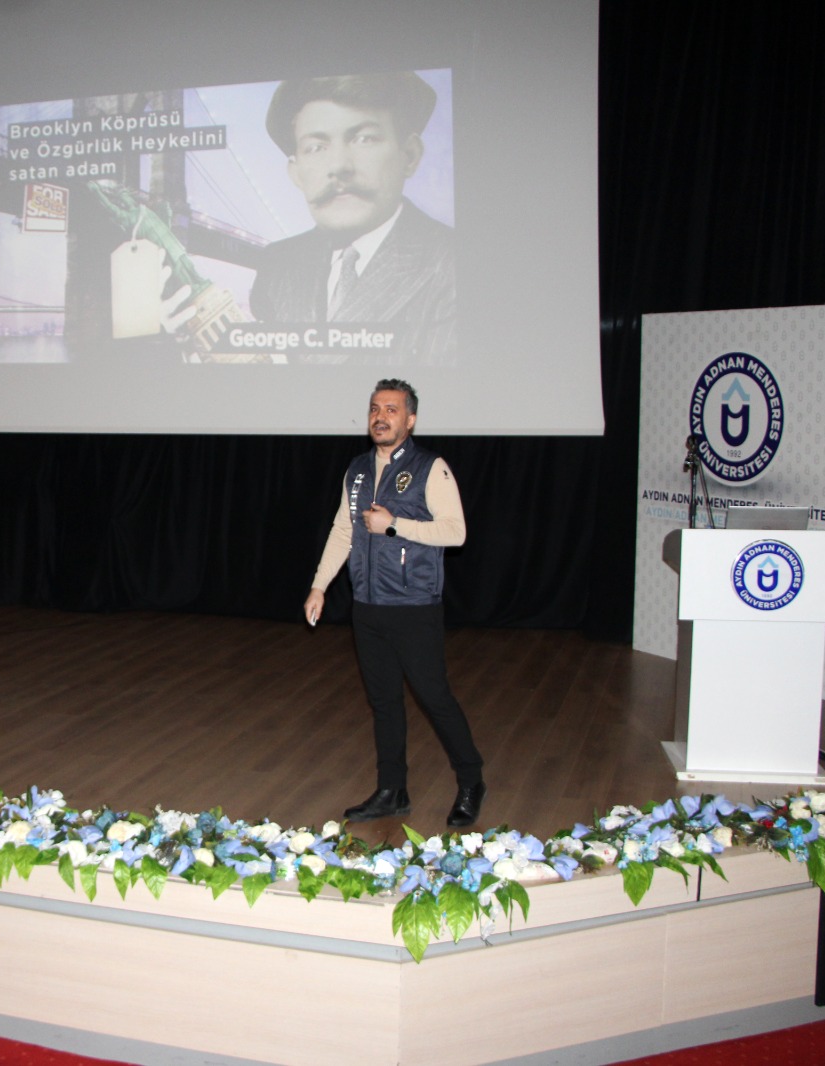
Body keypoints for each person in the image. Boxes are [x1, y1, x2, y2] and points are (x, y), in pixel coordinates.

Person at [303, 379, 485, 828]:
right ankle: (392, 790)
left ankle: (471, 780)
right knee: (383, 701)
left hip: (414, 605)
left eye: (391, 409)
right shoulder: (357, 469)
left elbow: (456, 531)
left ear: (410, 419)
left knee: (433, 696)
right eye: (374, 409)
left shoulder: (430, 467)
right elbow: (343, 530)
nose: (380, 417)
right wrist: (320, 585)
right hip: (367, 604)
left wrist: (393, 525)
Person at [249, 72, 457, 365]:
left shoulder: (455, 262)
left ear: (409, 156)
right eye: (316, 147)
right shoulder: (276, 266)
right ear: (295, 173)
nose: (338, 166)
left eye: (363, 139)